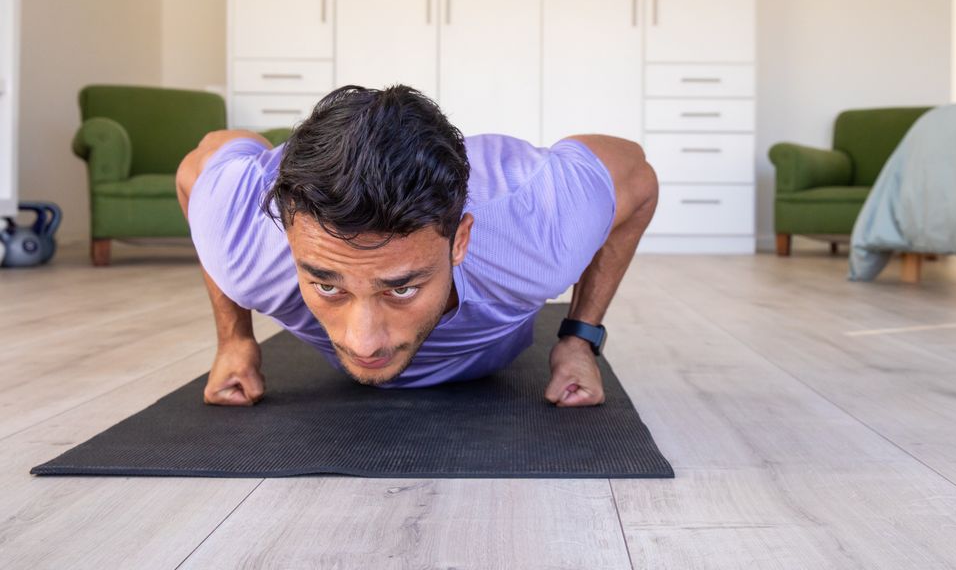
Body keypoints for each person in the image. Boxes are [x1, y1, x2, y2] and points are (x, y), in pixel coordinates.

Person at [175, 85, 658, 408]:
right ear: (286, 233)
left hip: (493, 355)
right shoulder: (241, 231)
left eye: (401, 289)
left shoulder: (536, 229)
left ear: (460, 241)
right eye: (327, 284)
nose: (363, 342)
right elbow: (202, 164)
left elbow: (634, 171)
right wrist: (234, 339)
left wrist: (580, 338)